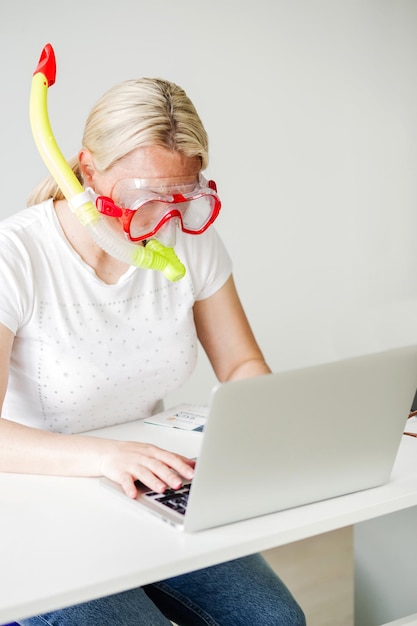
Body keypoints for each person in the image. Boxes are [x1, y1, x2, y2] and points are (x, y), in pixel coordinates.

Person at [0, 74, 306, 625]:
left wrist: (265, 428)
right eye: (146, 195)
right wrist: (106, 457)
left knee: (274, 620)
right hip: (36, 500)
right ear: (87, 168)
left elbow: (240, 363)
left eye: (182, 196)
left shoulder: (189, 240)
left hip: (148, 485)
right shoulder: (15, 258)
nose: (166, 218)